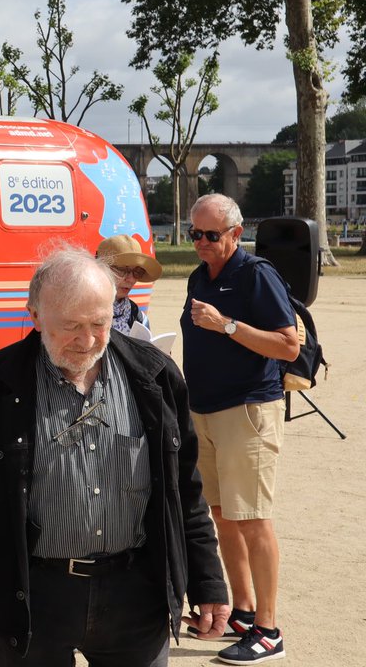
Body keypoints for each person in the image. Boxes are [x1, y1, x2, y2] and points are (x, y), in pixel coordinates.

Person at [0, 246, 231, 667]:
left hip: (137, 596)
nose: (86, 341)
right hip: (32, 599)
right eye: (70, 326)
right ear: (34, 316)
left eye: (99, 324)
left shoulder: (155, 378)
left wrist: (208, 581)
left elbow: (186, 493)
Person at [180, 193, 299, 664]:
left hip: (248, 410)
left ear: (235, 233)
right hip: (205, 411)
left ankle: (269, 631)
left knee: (252, 518)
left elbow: (288, 346)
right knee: (223, 516)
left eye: (211, 235)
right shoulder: (197, 276)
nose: (201, 243)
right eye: (195, 234)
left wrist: (226, 325)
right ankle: (244, 614)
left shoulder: (256, 274)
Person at [96, 233, 163, 333]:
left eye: (137, 272)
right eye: (122, 270)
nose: (131, 279)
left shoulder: (138, 317)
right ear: (101, 269)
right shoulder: (80, 312)